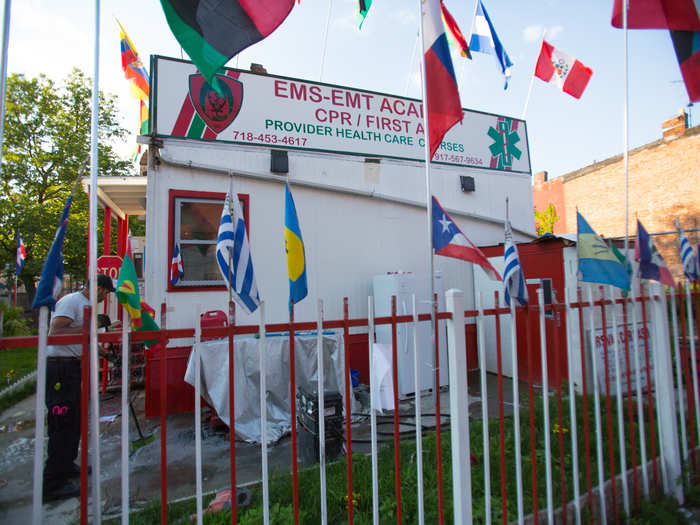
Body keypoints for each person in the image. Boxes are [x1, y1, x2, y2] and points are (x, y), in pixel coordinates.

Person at [43, 273, 115, 501]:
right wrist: (91, 325)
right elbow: (56, 331)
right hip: (60, 370)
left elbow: (86, 339)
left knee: (74, 421)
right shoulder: (72, 301)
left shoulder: (86, 305)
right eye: (106, 293)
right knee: (62, 422)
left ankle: (67, 465)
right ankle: (53, 483)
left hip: (73, 368)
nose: (105, 298)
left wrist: (107, 355)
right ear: (100, 288)